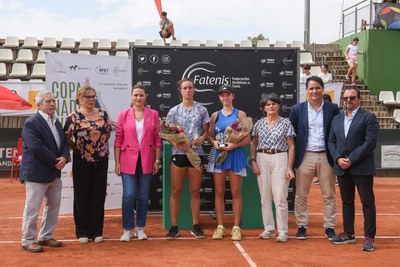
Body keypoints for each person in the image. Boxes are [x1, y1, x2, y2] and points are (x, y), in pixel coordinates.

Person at [328, 87, 379, 252]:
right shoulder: (336, 119)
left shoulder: (369, 118)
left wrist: (351, 159)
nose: (348, 101)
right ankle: (349, 234)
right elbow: (331, 141)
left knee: (367, 203)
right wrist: (337, 158)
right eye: (346, 98)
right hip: (342, 167)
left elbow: (370, 142)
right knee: (347, 202)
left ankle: (369, 237)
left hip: (361, 167)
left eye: (352, 98)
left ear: (359, 100)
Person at [289, 76, 340, 240]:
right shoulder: (297, 109)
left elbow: (337, 133)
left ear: (323, 89)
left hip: (326, 155)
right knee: (301, 195)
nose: (314, 91)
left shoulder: (332, 108)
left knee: (329, 194)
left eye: (317, 88)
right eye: (311, 88)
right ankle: (302, 226)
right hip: (305, 156)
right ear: (307, 90)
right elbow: (292, 135)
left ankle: (330, 227)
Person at [20, 91, 69, 253]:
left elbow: (64, 143)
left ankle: (45, 236)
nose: (52, 104)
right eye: (48, 101)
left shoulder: (56, 122)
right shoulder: (32, 123)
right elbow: (36, 147)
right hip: (36, 173)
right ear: (39, 105)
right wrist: (56, 161)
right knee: (32, 207)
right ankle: (28, 240)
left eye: (53, 101)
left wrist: (64, 157)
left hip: (53, 173)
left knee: (53, 206)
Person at [64, 83, 112, 244]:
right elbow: (67, 138)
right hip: (81, 161)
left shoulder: (103, 114)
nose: (91, 100)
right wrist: (79, 149)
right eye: (87, 97)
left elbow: (107, 134)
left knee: (98, 196)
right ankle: (82, 231)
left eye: (93, 97)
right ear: (79, 99)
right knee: (82, 196)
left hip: (101, 160)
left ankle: (97, 231)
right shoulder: (73, 117)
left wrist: (99, 149)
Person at [114, 85, 162, 242]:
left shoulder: (153, 114)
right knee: (129, 195)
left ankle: (140, 228)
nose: (138, 98)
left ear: (145, 97)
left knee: (143, 196)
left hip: (147, 160)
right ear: (131, 97)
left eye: (141, 95)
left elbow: (157, 139)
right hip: (127, 160)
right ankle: (127, 229)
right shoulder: (123, 115)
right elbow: (118, 139)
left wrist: (157, 159)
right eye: (136, 95)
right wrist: (117, 162)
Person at [164, 78, 209, 239]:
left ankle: (196, 226)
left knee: (195, 191)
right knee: (175, 191)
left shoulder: (202, 110)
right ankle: (174, 227)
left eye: (190, 87)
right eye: (185, 88)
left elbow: (206, 132)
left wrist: (202, 139)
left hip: (196, 154)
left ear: (194, 89)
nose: (188, 90)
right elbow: (166, 133)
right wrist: (177, 143)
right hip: (178, 154)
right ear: (180, 91)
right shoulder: (173, 111)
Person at [207, 85, 251, 241]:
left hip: (235, 155)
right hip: (219, 156)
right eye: (222, 95)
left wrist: (235, 145)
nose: (225, 98)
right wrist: (214, 143)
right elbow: (210, 136)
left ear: (233, 96)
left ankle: (236, 227)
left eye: (228, 95)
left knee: (236, 192)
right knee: (219, 192)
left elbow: (247, 138)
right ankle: (220, 227)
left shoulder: (241, 114)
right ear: (219, 97)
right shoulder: (214, 116)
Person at [250, 93, 296, 243]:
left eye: (274, 104)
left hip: (280, 157)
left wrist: (289, 167)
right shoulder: (259, 124)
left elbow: (291, 146)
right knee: (265, 197)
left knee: (280, 197)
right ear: (264, 108)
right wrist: (253, 161)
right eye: (268, 104)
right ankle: (269, 228)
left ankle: (282, 231)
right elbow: (254, 144)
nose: (271, 107)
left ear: (279, 106)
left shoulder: (286, 123)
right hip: (262, 158)